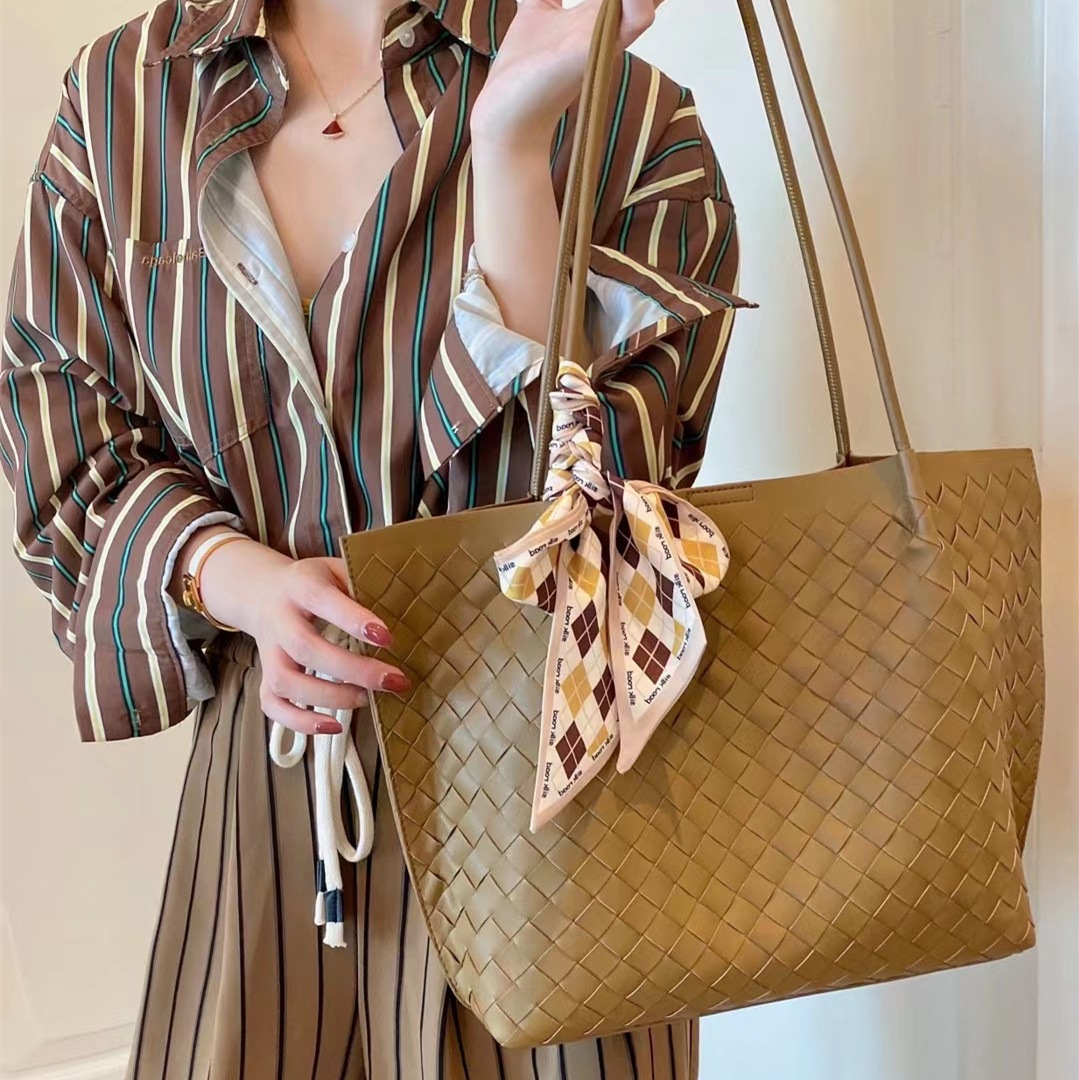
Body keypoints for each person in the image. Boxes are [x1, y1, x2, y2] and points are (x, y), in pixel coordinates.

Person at [0, 0, 742, 1075]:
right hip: (270, 800)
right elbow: (61, 442)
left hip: (559, 799)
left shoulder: (633, 119)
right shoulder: (128, 97)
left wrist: (512, 146)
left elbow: (600, 523)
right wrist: (236, 579)